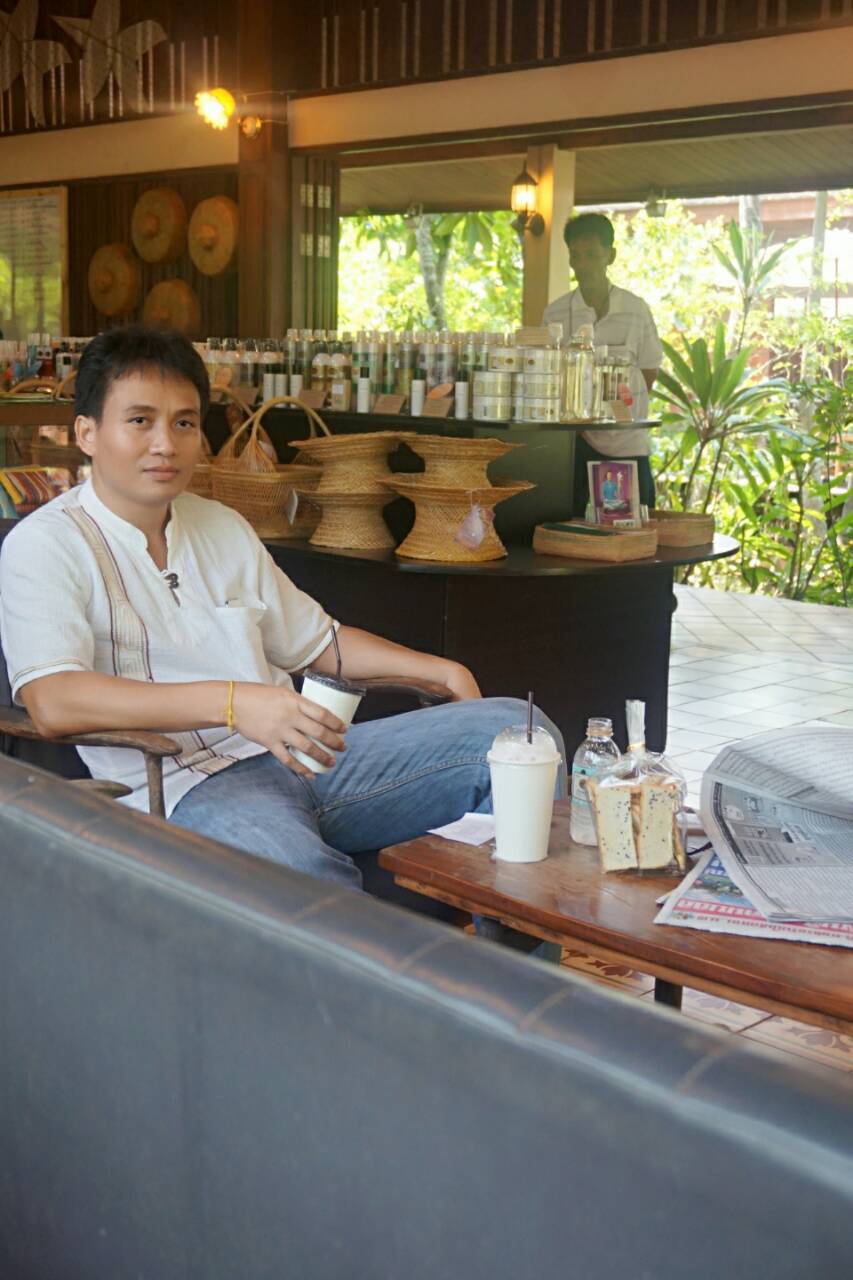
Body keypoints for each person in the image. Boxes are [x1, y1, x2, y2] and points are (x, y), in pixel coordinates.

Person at [0, 326, 564, 890]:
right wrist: (233, 704)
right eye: (140, 420)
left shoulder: (220, 525)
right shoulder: (46, 544)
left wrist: (440, 669)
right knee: (307, 886)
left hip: (305, 757)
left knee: (521, 736)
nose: (165, 444)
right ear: (87, 432)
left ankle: (504, 944)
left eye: (184, 423)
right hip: (184, 789)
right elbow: (53, 700)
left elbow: (320, 644)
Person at [543, 211, 663, 515]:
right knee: (567, 522)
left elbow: (649, 370)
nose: (583, 264)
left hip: (627, 440)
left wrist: (621, 408)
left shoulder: (635, 309)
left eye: (592, 255)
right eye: (576, 255)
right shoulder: (556, 313)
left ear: (610, 256)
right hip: (573, 441)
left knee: (630, 523)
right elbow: (549, 373)